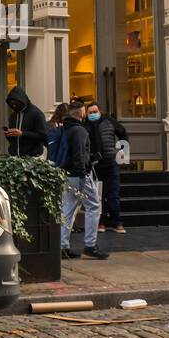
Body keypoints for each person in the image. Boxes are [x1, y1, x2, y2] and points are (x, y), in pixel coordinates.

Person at [58, 99, 106, 260]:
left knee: (68, 209)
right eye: (85, 111)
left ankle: (62, 246)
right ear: (82, 113)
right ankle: (90, 245)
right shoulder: (80, 131)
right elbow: (79, 154)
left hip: (67, 173)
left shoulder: (65, 128)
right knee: (93, 206)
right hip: (79, 175)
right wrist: (82, 175)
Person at [86, 102, 128, 234]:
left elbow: (123, 134)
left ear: (100, 111)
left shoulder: (110, 122)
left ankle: (117, 223)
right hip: (95, 166)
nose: (93, 114)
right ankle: (101, 222)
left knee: (113, 194)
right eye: (90, 112)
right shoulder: (85, 126)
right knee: (98, 196)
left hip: (111, 163)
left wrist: (123, 153)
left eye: (95, 111)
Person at [4, 85, 48, 158]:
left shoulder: (37, 114)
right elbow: (13, 140)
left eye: (16, 103)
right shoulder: (13, 116)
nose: (14, 106)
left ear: (22, 101)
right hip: (15, 157)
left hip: (33, 157)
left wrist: (22, 133)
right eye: (12, 104)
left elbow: (43, 136)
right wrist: (9, 134)